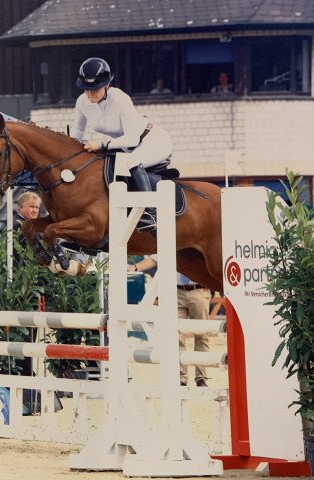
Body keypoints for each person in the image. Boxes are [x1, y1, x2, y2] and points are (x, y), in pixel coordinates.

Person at [73, 57, 174, 232]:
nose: (89, 94)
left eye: (94, 89)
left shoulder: (120, 98)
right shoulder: (82, 102)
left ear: (106, 85)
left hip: (152, 140)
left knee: (128, 163)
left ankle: (150, 213)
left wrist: (102, 145)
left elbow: (132, 139)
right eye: (86, 89)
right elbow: (76, 135)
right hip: (126, 147)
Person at [128, 255, 211, 387]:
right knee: (176, 336)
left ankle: (202, 378)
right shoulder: (171, 236)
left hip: (199, 290)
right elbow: (155, 258)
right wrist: (135, 267)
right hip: (176, 291)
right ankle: (180, 377)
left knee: (201, 335)